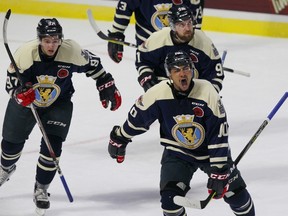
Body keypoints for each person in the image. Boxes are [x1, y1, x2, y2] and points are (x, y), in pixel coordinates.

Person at [107, 50, 255, 216]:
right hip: (177, 153)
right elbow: (138, 119)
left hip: (209, 153)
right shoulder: (157, 93)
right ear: (169, 74)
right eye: (176, 70)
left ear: (192, 70)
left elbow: (218, 135)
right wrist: (120, 137)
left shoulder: (207, 92)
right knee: (170, 202)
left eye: (185, 68)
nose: (182, 73)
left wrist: (219, 170)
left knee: (236, 196)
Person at [0, 18, 122, 212]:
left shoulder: (71, 51)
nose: (52, 45)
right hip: (27, 103)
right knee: (10, 145)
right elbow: (10, 83)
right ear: (39, 40)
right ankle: (6, 168)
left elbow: (94, 65)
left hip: (58, 103)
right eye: (47, 40)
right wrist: (19, 94)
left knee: (52, 149)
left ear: (61, 39)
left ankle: (41, 188)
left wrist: (105, 83)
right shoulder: (25, 54)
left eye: (56, 40)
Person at [136, 4, 224, 93]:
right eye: (181, 25)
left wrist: (209, 95)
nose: (188, 28)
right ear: (172, 26)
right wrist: (146, 76)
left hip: (194, 94)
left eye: (189, 23)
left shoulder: (204, 42)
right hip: (163, 91)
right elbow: (142, 60)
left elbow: (216, 75)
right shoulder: (158, 39)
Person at [108, 0, 205, 63]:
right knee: (155, 88)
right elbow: (125, 6)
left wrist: (195, 45)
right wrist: (117, 33)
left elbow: (194, 23)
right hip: (149, 47)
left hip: (180, 48)